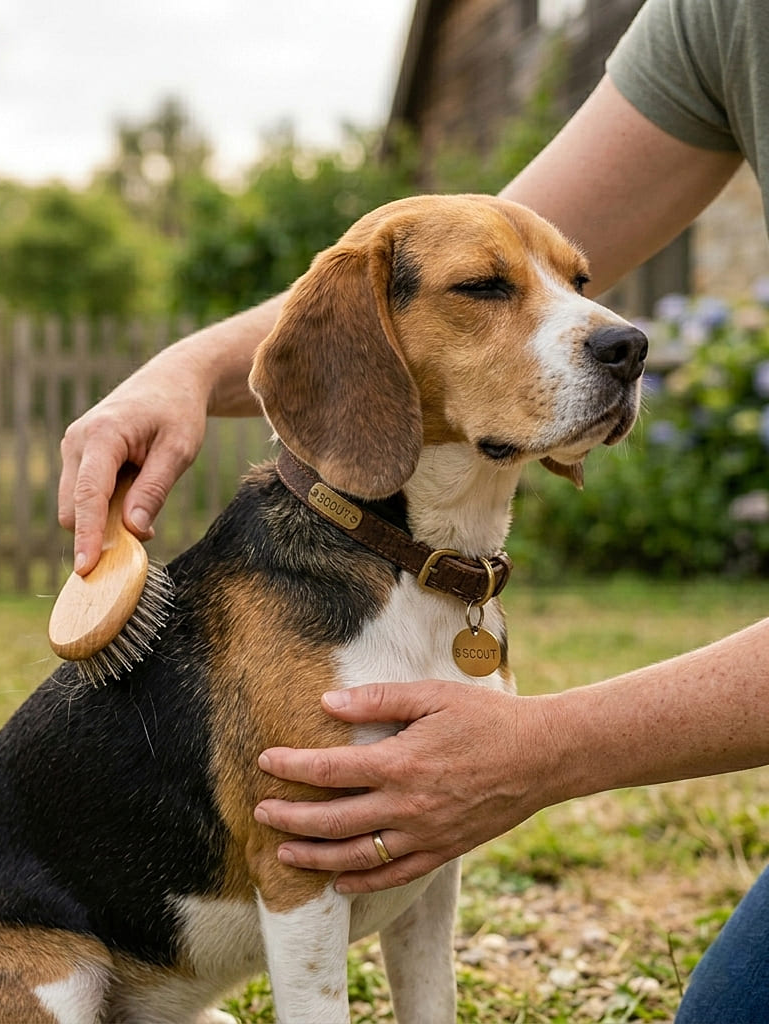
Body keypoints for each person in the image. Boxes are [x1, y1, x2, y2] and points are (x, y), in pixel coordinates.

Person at [58, 0, 769, 1018]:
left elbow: (433, 839)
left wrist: (547, 751)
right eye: (489, 288)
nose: (602, 326)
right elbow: (299, 867)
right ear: (369, 350)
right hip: (40, 952)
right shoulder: (720, 16)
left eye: (575, 283)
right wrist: (184, 364)